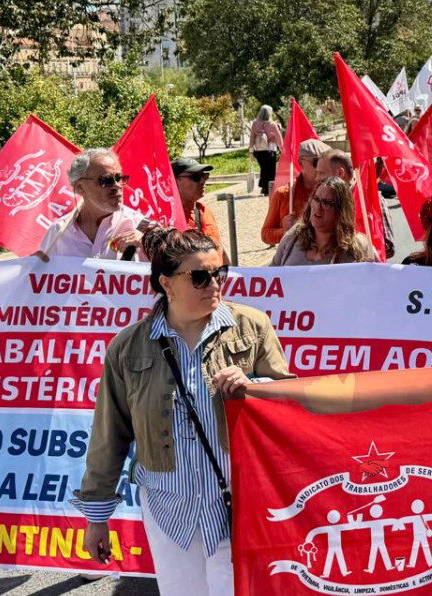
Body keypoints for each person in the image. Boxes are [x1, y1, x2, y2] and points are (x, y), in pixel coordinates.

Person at [76, 228, 291, 595]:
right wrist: (97, 518)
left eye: (220, 272)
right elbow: (109, 436)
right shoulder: (128, 347)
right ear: (167, 283)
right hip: (168, 511)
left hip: (239, 505)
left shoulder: (252, 327)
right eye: (200, 276)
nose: (215, 284)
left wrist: (254, 386)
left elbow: (288, 403)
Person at [34, 149, 148, 261]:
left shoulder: (142, 227)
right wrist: (32, 264)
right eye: (106, 181)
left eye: (119, 178)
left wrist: (149, 244)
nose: (117, 186)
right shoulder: (58, 232)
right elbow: (38, 271)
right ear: (80, 187)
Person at [269, 177, 376, 266]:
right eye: (316, 199)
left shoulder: (358, 248)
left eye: (327, 203)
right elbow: (271, 275)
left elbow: (376, 280)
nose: (318, 207)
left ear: (341, 211)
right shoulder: (293, 236)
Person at [315, 149, 396, 259]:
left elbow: (389, 248)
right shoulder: (320, 200)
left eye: (321, 173)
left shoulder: (373, 200)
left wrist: (362, 246)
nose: (317, 178)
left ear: (340, 173)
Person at [260, 138, 331, 246]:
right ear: (300, 163)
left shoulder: (333, 192)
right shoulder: (284, 194)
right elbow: (266, 234)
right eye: (316, 162)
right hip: (295, 254)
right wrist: (284, 232)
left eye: (325, 163)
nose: (321, 167)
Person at [173, 157, 229, 264]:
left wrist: (231, 269)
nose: (202, 181)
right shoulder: (167, 218)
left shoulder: (205, 211)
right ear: (176, 181)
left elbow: (218, 247)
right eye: (196, 177)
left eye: (204, 176)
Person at [249, 105, 283, 195]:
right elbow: (279, 138)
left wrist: (251, 151)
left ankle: (264, 187)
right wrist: (282, 149)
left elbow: (252, 138)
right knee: (271, 169)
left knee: (264, 169)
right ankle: (269, 188)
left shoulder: (255, 124)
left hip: (258, 151)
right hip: (270, 150)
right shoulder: (273, 124)